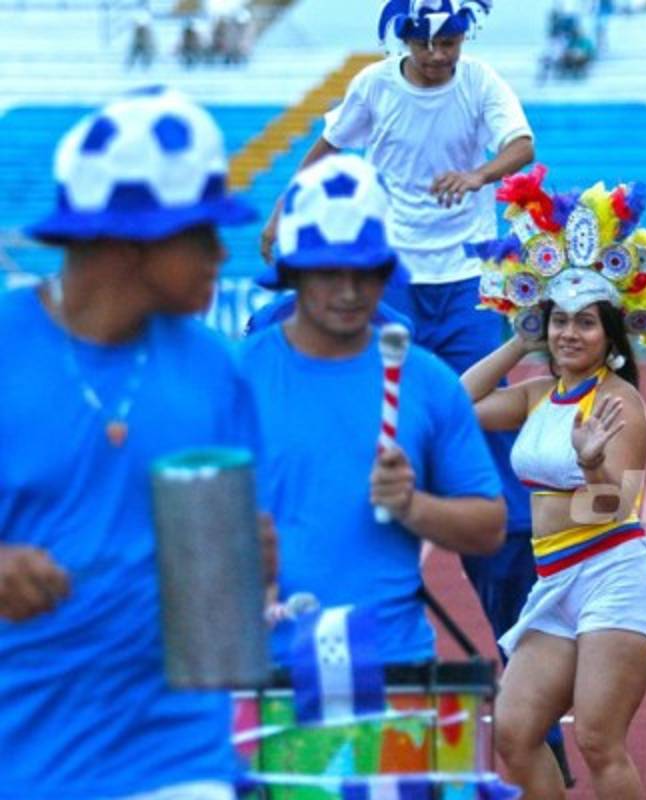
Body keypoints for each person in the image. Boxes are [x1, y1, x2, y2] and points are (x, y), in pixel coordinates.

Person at [255, 0, 558, 774]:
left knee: (480, 455)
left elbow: (522, 144)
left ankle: (532, 700)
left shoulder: (480, 81)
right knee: (314, 384)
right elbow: (326, 146)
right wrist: (288, 205)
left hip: (462, 280)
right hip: (386, 273)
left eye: (453, 42)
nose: (441, 57)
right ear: (404, 40)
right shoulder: (373, 88)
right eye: (429, 45)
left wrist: (481, 174)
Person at [0, 87, 264, 799]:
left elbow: (241, 579)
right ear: (128, 240)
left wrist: (253, 560)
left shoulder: (217, 369)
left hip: (176, 757)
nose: (220, 251)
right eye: (199, 231)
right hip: (21, 756)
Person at [461, 166, 646, 799]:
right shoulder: (535, 396)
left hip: (615, 575)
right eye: (559, 321)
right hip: (554, 583)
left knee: (598, 740)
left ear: (610, 338)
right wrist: (517, 343)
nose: (569, 333)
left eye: (586, 323)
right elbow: (453, 404)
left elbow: (616, 504)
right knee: (516, 732)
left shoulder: (620, 404)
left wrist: (590, 463)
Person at [242, 153, 506, 667]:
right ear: (293, 274)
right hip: (259, 669)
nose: (348, 291)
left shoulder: (427, 381)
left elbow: (489, 526)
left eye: (364, 272)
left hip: (391, 665)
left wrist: (414, 507)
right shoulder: (233, 380)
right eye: (328, 272)